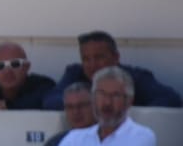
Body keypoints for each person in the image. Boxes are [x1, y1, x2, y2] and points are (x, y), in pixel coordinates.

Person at [45, 29, 182, 108]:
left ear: (116, 57)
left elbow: (170, 99)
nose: (92, 65)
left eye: (99, 57)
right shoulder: (75, 73)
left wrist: (122, 109)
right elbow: (50, 102)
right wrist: (92, 101)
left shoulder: (135, 77)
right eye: (86, 59)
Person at [52, 66, 160, 146]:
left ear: (129, 101)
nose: (107, 102)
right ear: (93, 98)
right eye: (102, 94)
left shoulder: (141, 136)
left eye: (115, 95)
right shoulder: (75, 138)